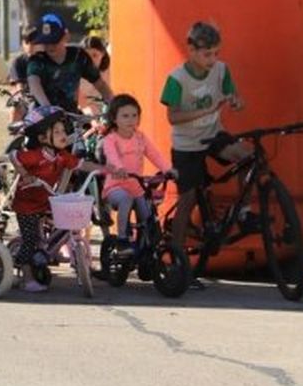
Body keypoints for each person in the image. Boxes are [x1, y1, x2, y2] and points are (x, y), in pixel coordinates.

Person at [161, 20, 248, 267]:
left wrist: (236, 102)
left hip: (213, 134)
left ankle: (243, 211)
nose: (212, 59)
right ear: (191, 50)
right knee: (187, 200)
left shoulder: (221, 70)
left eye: (216, 53)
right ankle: (175, 259)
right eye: (206, 54)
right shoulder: (176, 78)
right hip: (186, 145)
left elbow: (234, 95)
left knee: (246, 157)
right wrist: (205, 110)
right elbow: (173, 117)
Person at [10, 104, 113, 292]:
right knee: (30, 239)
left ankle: (46, 254)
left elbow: (81, 164)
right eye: (56, 132)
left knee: (58, 224)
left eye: (62, 130)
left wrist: (106, 169)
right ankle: (27, 278)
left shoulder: (61, 156)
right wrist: (25, 175)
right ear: (42, 138)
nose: (62, 134)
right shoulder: (35, 155)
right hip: (27, 204)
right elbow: (14, 156)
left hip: (46, 200)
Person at [99, 94, 173, 252]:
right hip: (115, 186)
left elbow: (155, 154)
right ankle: (122, 239)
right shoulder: (111, 139)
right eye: (125, 116)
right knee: (126, 199)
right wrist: (119, 168)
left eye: (134, 115)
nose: (131, 120)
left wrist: (168, 170)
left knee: (148, 212)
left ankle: (146, 246)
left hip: (136, 185)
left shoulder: (140, 137)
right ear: (114, 119)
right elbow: (112, 156)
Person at [26, 13, 112, 112]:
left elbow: (100, 84)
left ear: (66, 36)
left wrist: (113, 105)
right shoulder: (36, 60)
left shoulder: (78, 57)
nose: (50, 46)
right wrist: (49, 109)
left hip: (71, 116)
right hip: (42, 115)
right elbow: (34, 84)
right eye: (46, 42)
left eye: (54, 41)